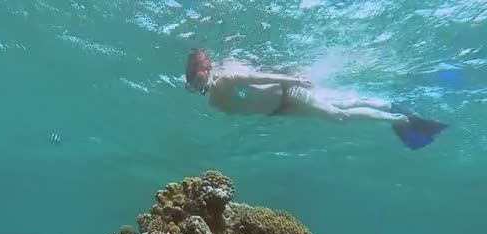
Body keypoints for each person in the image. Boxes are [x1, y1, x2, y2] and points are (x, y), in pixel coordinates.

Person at [184, 48, 448, 150]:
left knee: (339, 116)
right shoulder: (213, 101)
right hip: (282, 109)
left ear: (206, 71)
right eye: (193, 85)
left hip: (289, 93)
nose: (198, 87)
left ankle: (400, 119)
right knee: (341, 107)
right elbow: (248, 104)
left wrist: (296, 81)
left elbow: (259, 76)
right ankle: (393, 108)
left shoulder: (227, 78)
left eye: (198, 80)